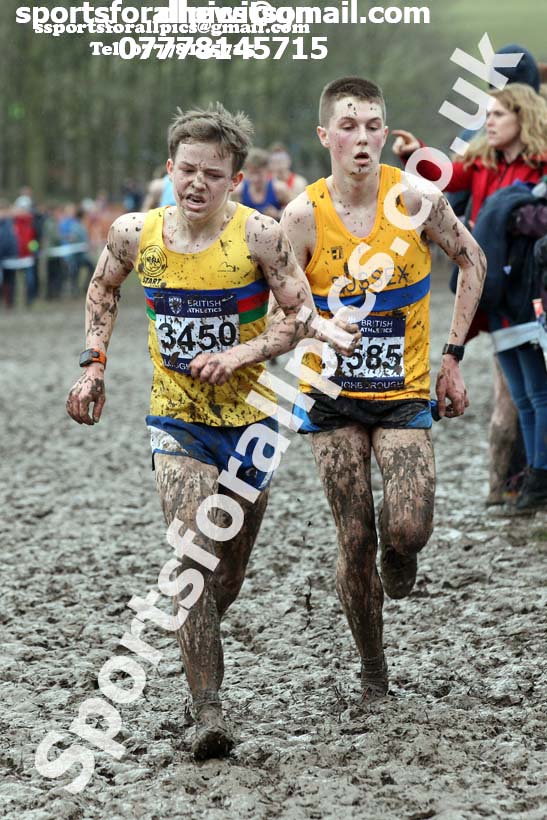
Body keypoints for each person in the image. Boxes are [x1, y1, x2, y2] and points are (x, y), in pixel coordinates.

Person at [66, 103, 359, 760]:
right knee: (190, 558)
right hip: (177, 423)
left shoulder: (258, 236)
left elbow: (299, 317)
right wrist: (93, 365)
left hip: (253, 425)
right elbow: (103, 289)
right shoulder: (132, 233)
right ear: (169, 169)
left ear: (234, 179)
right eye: (187, 170)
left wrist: (242, 355)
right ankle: (207, 713)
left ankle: (194, 640)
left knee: (224, 575)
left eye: (212, 173)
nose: (197, 183)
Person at [278, 76, 486, 701]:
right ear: (325, 136)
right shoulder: (301, 216)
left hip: (402, 391)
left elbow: (471, 259)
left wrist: (452, 355)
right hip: (331, 396)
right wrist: (318, 324)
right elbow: (281, 309)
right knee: (354, 536)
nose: (362, 138)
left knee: (408, 528)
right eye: (348, 126)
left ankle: (404, 553)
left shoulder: (417, 199)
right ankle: (373, 666)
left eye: (372, 125)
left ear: (384, 131)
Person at [393, 83, 547, 513]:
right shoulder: (483, 164)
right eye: (488, 114)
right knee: (524, 396)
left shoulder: (542, 165)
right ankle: (529, 481)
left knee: (538, 394)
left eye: (499, 114)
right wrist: (414, 153)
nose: (490, 122)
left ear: (524, 118)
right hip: (493, 292)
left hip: (530, 294)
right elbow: (445, 175)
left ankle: (538, 480)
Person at [233, 147, 290, 219]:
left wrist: (278, 214)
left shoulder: (280, 190)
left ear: (268, 170)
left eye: (259, 173)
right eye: (251, 173)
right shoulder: (238, 192)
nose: (255, 178)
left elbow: (293, 213)